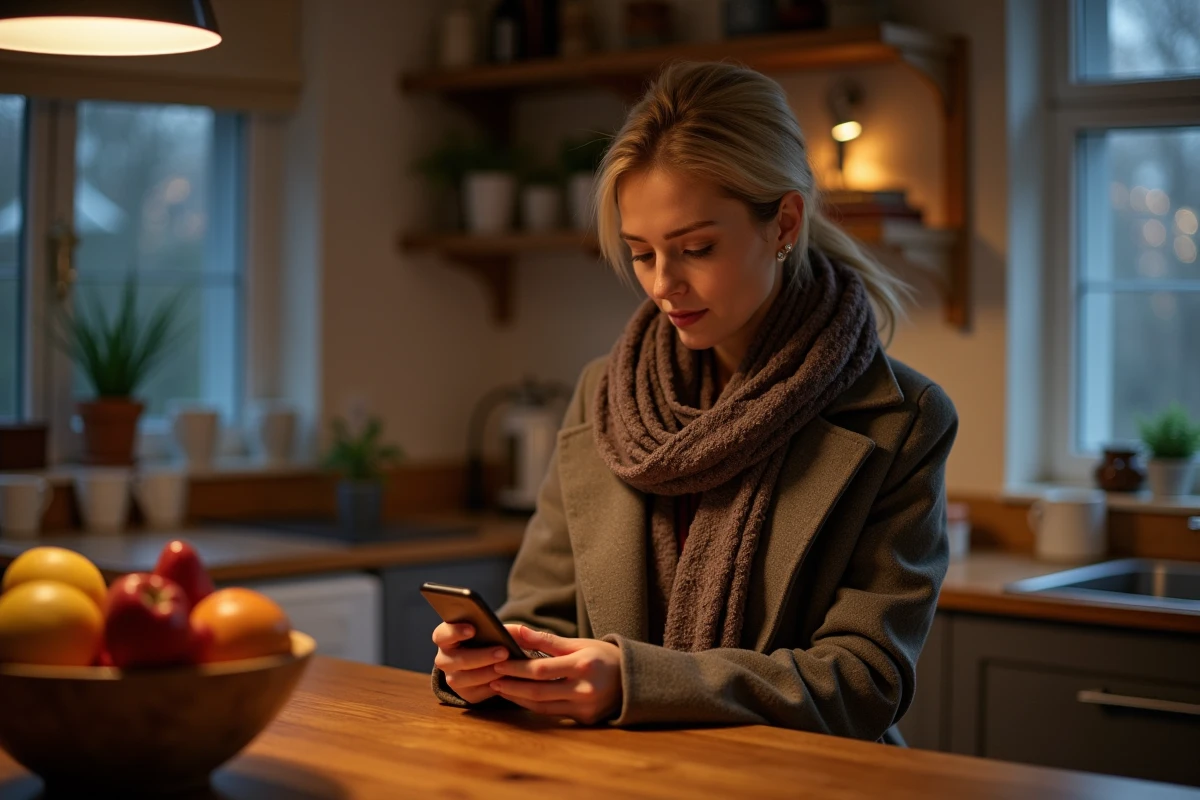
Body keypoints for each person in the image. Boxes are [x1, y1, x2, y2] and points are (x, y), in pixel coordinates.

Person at [430, 60, 957, 744]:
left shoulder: (901, 419)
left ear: (784, 223)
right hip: (614, 778)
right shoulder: (604, 397)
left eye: (696, 248)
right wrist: (493, 666)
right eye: (641, 253)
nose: (663, 284)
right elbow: (544, 617)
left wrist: (639, 683)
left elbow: (864, 681)